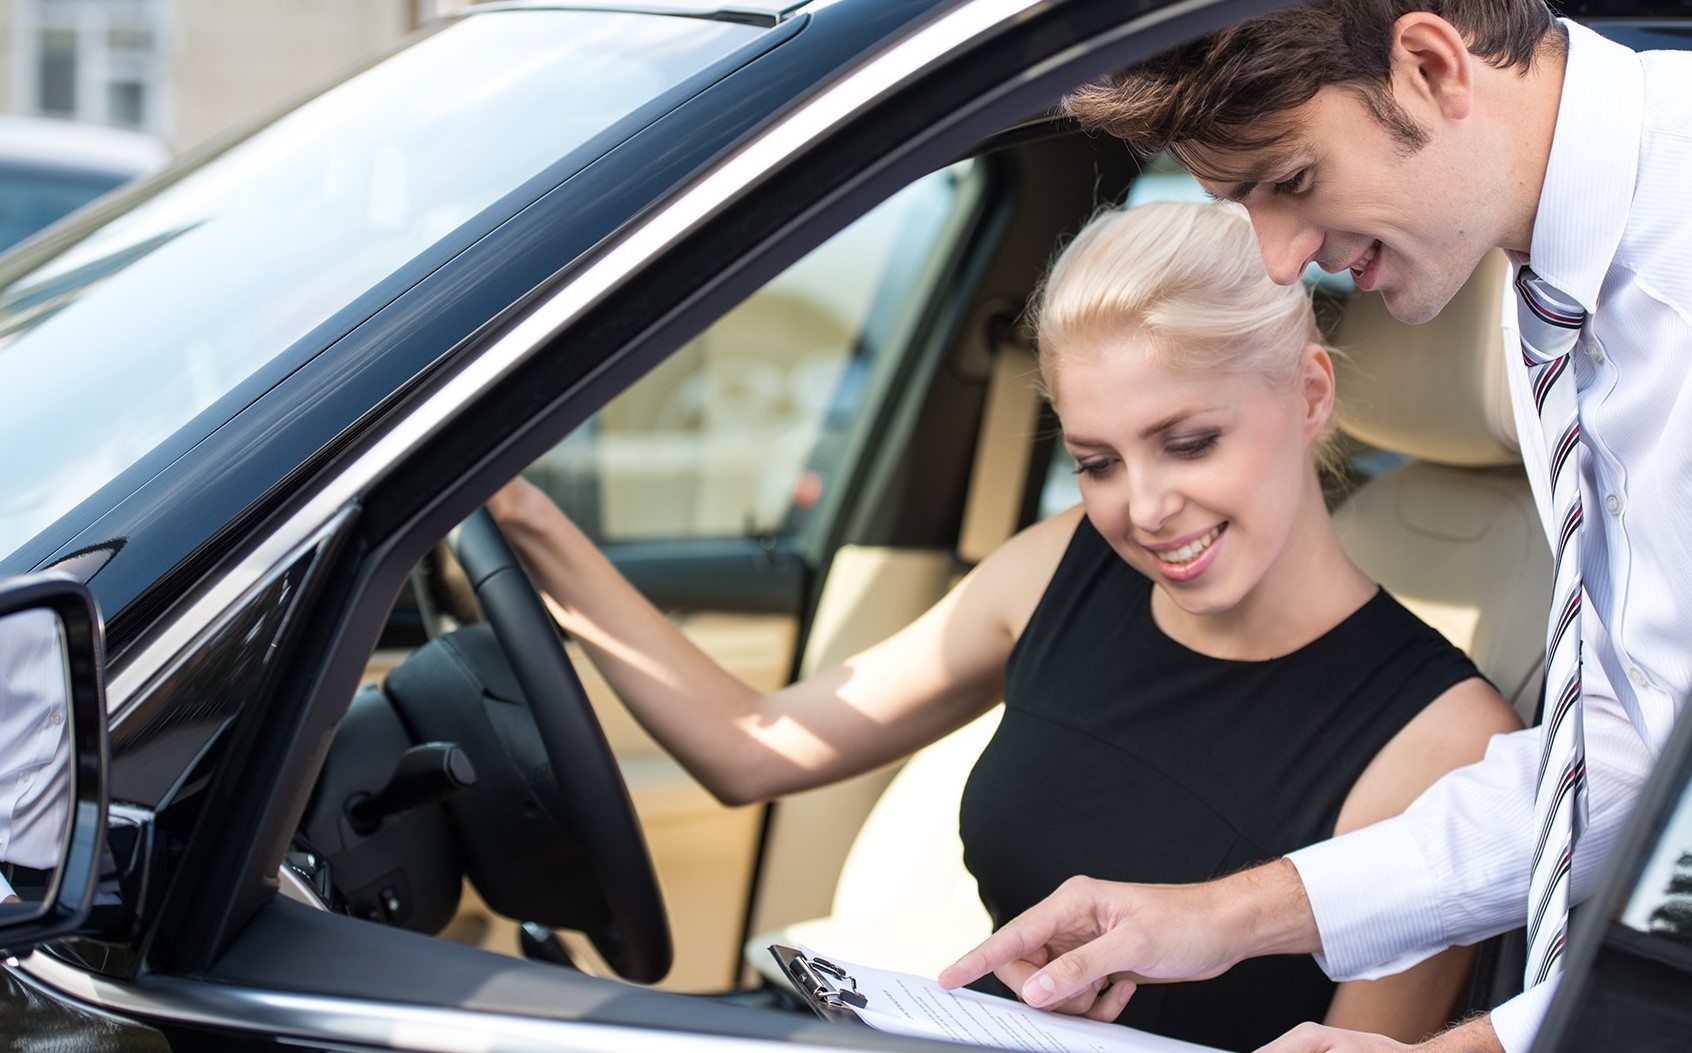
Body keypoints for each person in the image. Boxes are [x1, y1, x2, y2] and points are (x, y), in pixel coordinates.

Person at [489, 200, 1521, 1051]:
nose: (1146, 508)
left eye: (1190, 442)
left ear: (1308, 394)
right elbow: (756, 748)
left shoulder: (1444, 744)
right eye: (1099, 461)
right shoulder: (1064, 565)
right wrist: (523, 520)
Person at [939, 5, 1692, 1053]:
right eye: (1237, 205)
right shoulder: (1558, 288)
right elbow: (1625, 753)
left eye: (1289, 183)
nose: (1284, 262)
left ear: (1429, 65)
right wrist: (1218, 918)